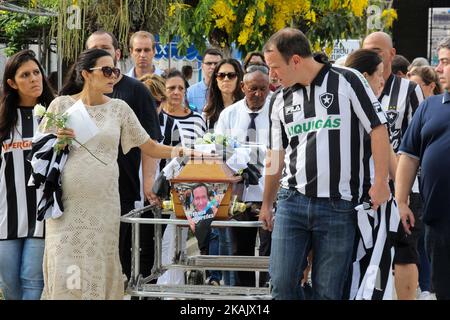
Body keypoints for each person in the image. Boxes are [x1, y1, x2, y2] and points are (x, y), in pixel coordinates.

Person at [38, 48, 202, 300]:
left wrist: (180, 151)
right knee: (66, 264)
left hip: (104, 206)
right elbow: (39, 153)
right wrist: (56, 139)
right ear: (85, 74)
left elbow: (149, 145)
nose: (113, 75)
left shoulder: (119, 108)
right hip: (66, 207)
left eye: (115, 70)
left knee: (99, 262)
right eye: (106, 70)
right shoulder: (61, 104)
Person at [259, 28, 391, 300]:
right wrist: (266, 202)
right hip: (291, 200)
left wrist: (381, 182)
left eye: (275, 67)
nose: (272, 75)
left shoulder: (348, 80)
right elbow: (276, 154)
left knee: (329, 291)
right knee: (281, 286)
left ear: (295, 60)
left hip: (338, 204)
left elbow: (378, 128)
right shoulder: (279, 99)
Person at [85, 30, 162, 281]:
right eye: (94, 48)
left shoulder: (136, 91)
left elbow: (150, 141)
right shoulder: (73, 92)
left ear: (117, 54)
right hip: (82, 194)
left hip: (121, 190)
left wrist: (148, 182)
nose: (101, 53)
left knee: (116, 264)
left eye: (105, 48)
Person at [363, 31, 425, 300]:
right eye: (368, 50)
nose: (373, 55)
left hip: (403, 185)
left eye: (378, 50)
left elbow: (420, 137)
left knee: (405, 250)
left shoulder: (409, 90)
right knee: (364, 250)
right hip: (365, 184)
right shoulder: (355, 86)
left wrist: (407, 187)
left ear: (391, 53)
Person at [395, 38, 450, 300]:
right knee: (443, 287)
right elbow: (408, 156)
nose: (439, 69)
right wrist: (401, 200)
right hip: (438, 219)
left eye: (445, 62)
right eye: (439, 62)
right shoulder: (429, 107)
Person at [0, 50, 55, 300]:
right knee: (10, 286)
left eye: (36, 72)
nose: (34, 78)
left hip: (42, 217)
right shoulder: (2, 121)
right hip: (5, 217)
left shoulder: (55, 117)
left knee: (32, 281)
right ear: (12, 83)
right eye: (25, 75)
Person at [215, 63, 272, 287]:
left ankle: (268, 294)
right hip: (239, 197)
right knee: (242, 252)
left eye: (263, 89)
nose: (258, 94)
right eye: (253, 89)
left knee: (270, 251)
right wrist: (239, 165)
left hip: (270, 194)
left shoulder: (277, 112)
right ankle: (245, 299)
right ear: (242, 87)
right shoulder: (229, 115)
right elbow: (219, 148)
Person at [406, 65, 442, 300]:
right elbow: (408, 154)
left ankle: (427, 287)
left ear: (430, 86)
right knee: (420, 243)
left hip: (427, 193)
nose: (414, 91)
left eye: (418, 86)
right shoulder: (425, 110)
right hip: (424, 195)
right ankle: (426, 287)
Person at [203, 58, 244, 129]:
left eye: (231, 75)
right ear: (216, 79)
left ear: (239, 78)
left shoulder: (245, 107)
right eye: (221, 75)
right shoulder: (209, 110)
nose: (226, 79)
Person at [187, 48, 223, 113]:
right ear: (202, 66)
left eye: (216, 63)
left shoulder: (227, 91)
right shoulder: (190, 93)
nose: (213, 67)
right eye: (209, 63)